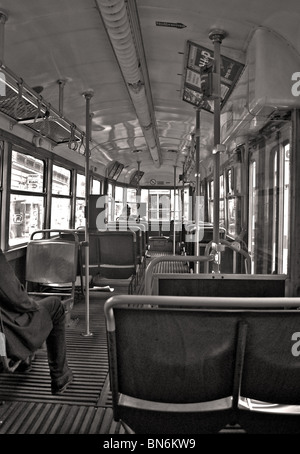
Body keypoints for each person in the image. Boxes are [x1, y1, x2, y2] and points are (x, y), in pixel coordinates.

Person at [0, 248, 73, 395]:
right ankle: (60, 376)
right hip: (7, 335)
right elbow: (17, 298)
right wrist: (34, 305)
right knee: (55, 306)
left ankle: (24, 363)